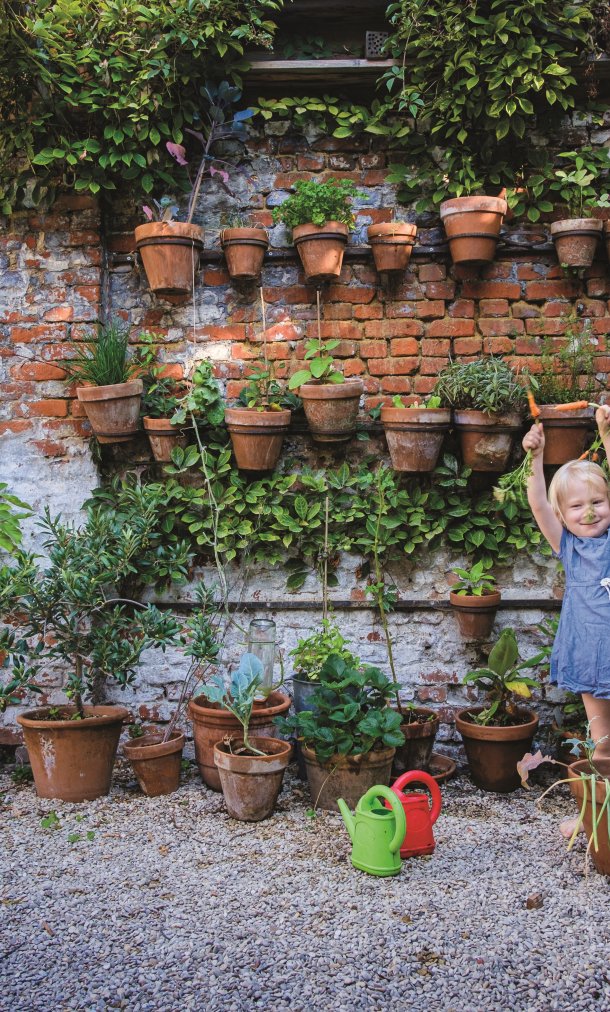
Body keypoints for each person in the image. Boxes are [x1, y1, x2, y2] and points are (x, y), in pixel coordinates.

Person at [523, 405, 610, 834]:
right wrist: (535, 458)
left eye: (598, 502)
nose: (589, 512)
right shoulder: (569, 547)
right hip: (590, 657)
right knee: (601, 741)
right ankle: (593, 817)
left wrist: (607, 437)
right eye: (577, 506)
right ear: (563, 515)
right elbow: (538, 503)